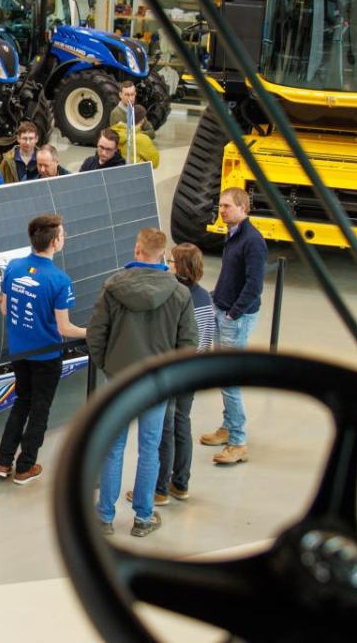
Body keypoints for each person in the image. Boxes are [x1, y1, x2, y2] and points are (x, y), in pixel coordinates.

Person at [88, 227, 197, 538]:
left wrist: (108, 366)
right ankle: (143, 517)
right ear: (162, 255)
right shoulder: (179, 293)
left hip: (119, 379)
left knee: (114, 447)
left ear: (137, 250)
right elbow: (188, 342)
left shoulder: (112, 288)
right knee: (150, 449)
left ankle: (105, 517)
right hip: (156, 383)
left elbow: (96, 335)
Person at [0, 214, 86, 485]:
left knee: (22, 401)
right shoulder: (59, 280)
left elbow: (3, 308)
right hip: (45, 356)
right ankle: (25, 466)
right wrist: (91, 332)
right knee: (40, 409)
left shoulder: (13, 267)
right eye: (63, 234)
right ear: (55, 241)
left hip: (19, 351)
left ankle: (3, 461)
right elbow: (65, 329)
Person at [199, 187, 267, 465]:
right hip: (223, 310)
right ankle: (228, 428)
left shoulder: (253, 241)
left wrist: (232, 314)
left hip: (235, 320)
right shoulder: (233, 235)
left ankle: (238, 442)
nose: (222, 210)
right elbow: (230, 275)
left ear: (243, 208)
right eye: (220, 205)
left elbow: (255, 285)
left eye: (227, 206)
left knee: (229, 380)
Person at [153, 242, 217, 504]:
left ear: (178, 267)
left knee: (164, 430)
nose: (167, 264)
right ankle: (180, 484)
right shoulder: (205, 297)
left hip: (173, 373)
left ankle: (158, 491)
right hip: (193, 372)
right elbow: (208, 337)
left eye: (171, 261)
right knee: (183, 425)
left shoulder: (175, 298)